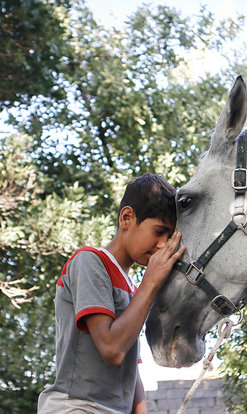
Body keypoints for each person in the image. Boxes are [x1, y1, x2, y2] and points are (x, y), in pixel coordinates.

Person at [38, 173, 185, 414]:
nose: (162, 245)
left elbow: (131, 372)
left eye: (169, 238)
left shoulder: (134, 289)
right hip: (77, 407)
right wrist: (151, 282)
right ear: (127, 218)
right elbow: (112, 350)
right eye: (159, 231)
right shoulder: (89, 261)